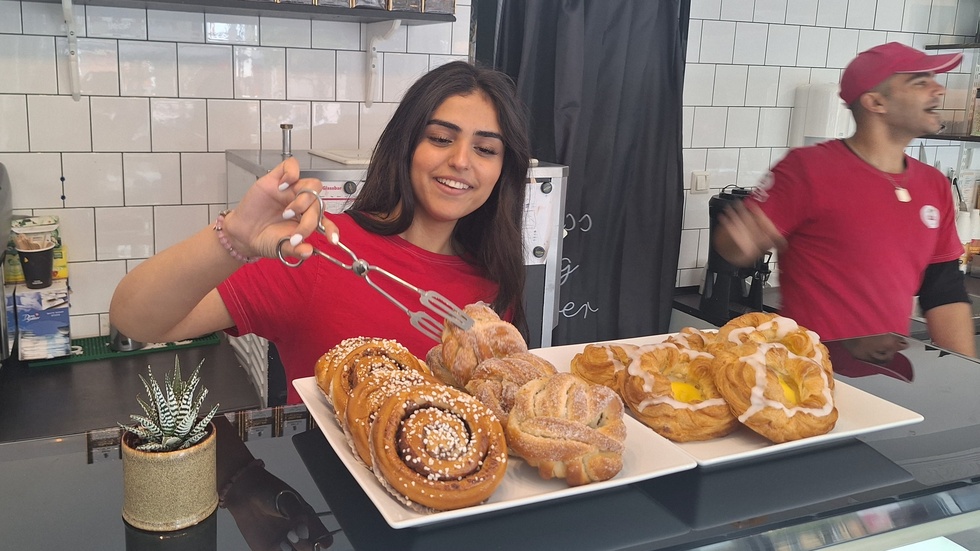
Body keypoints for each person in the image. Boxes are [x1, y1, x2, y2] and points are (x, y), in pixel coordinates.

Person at [110, 61, 532, 404]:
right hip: (327, 500)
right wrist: (234, 238)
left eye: (485, 149)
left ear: (502, 171)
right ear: (406, 146)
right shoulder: (324, 253)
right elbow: (139, 321)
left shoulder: (492, 282)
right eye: (441, 138)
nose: (461, 160)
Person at [713, 42, 975, 357]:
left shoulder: (934, 184)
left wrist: (967, 378)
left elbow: (943, 289)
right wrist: (737, 243)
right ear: (876, 102)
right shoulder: (808, 169)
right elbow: (733, 244)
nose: (939, 90)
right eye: (921, 82)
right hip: (808, 370)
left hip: (887, 374)